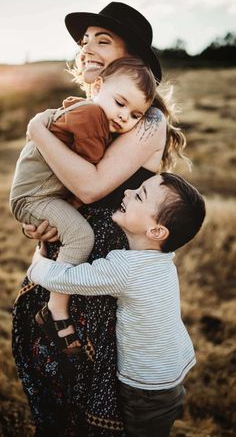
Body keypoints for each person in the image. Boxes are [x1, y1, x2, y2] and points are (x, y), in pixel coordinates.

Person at [12, 2, 188, 437]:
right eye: (85, 39)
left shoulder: (148, 120)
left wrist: (36, 128)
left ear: (132, 58)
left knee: (94, 398)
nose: (87, 46)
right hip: (70, 259)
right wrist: (38, 221)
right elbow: (57, 188)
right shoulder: (94, 111)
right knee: (56, 399)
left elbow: (91, 188)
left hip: (107, 274)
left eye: (102, 39)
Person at [27, 172, 206, 437]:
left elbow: (64, 279)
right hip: (173, 371)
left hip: (145, 386)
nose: (127, 193)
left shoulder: (125, 269)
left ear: (156, 231)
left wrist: (37, 262)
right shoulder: (164, 258)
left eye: (139, 195)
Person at [10, 56, 156, 354]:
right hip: (38, 196)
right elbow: (90, 176)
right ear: (98, 86)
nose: (124, 117)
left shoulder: (94, 112)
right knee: (80, 236)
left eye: (135, 114)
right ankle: (55, 309)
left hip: (41, 194)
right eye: (120, 103)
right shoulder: (91, 116)